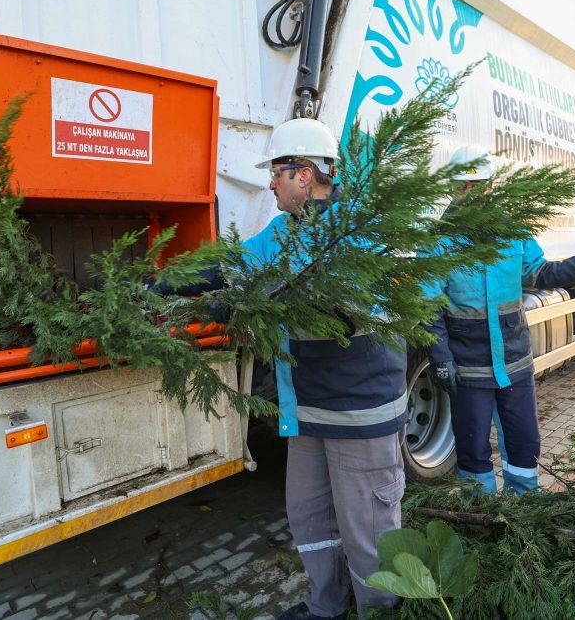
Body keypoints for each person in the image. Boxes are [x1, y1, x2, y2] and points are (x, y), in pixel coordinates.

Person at [156, 118, 407, 619]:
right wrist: (163, 283)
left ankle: (381, 611)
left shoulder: (359, 231)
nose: (269, 182)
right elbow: (231, 267)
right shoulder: (282, 232)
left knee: (369, 531)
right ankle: (326, 606)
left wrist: (265, 302)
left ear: (304, 175)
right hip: (308, 408)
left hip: (357, 411)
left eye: (276, 171)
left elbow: (358, 306)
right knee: (311, 518)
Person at [423, 146, 575, 494]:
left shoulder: (511, 232)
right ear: (452, 188)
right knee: (473, 447)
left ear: (490, 187)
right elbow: (429, 308)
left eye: (478, 185)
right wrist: (441, 358)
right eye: (463, 186)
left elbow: (543, 273)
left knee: (524, 442)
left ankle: (523, 511)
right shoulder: (439, 243)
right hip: (469, 368)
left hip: (514, 365)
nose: (470, 193)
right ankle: (480, 511)